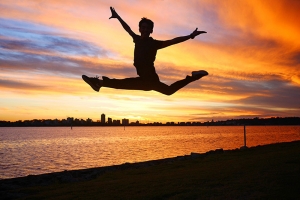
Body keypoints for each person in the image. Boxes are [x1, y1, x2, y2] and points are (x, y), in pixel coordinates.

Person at [82, 7, 208, 96]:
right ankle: (194, 77)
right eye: (143, 27)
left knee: (123, 84)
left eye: (148, 28)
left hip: (149, 79)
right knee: (168, 91)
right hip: (145, 79)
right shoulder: (137, 39)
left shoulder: (154, 44)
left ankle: (98, 82)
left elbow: (173, 41)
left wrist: (190, 35)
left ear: (151, 31)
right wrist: (118, 17)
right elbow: (127, 28)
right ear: (140, 29)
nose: (145, 30)